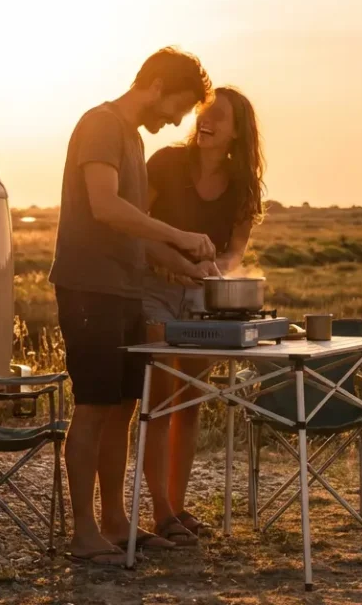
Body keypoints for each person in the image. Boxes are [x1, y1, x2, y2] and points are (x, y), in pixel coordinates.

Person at [50, 47, 217, 566]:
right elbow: (105, 207)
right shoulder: (100, 125)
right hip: (89, 288)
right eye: (180, 107)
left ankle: (115, 522)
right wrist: (178, 232)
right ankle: (83, 534)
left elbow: (133, 233)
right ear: (157, 86)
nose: (176, 121)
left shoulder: (131, 140)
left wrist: (186, 260)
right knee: (94, 406)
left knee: (122, 409)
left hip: (123, 289)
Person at [140, 87, 266, 546]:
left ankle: (175, 507)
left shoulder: (241, 186)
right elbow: (135, 226)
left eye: (220, 115)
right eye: (204, 110)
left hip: (201, 299)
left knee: (187, 406)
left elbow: (235, 252)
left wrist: (216, 273)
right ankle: (158, 512)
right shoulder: (165, 164)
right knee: (159, 403)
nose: (206, 119)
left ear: (237, 132)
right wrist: (179, 265)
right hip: (154, 291)